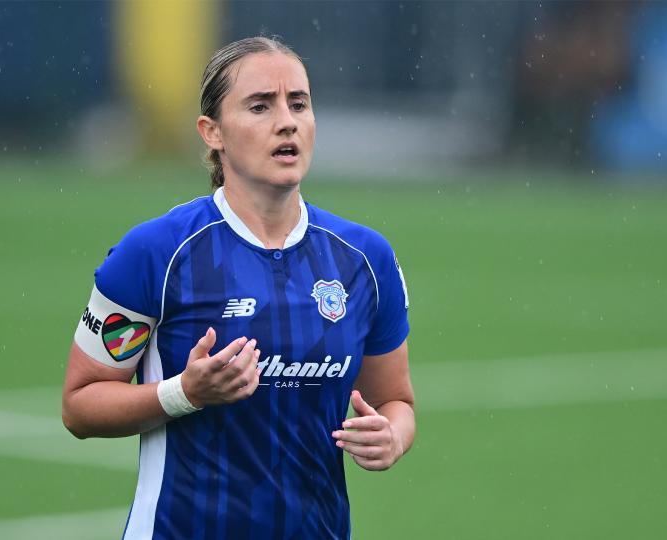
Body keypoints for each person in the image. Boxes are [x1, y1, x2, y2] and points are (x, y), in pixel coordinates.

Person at [62, 36, 415, 540]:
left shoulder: (365, 260)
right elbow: (79, 405)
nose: (287, 121)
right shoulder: (154, 253)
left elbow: (395, 401)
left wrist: (392, 436)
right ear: (213, 133)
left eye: (299, 103)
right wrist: (184, 393)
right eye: (260, 106)